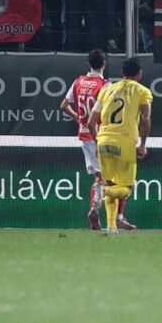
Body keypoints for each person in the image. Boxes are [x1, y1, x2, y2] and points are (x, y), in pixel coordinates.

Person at [88, 58, 152, 235]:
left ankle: (111, 226)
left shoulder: (107, 89)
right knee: (126, 189)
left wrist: (97, 141)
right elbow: (146, 120)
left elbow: (91, 122)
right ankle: (102, 190)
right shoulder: (143, 91)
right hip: (124, 141)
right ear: (139, 74)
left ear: (122, 72)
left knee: (112, 182)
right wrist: (143, 144)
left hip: (104, 140)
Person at [59, 49, 111, 230]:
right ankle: (101, 210)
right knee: (111, 178)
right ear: (104, 63)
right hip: (99, 136)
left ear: (89, 64)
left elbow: (64, 105)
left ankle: (96, 209)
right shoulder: (104, 86)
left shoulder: (78, 81)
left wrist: (78, 119)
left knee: (100, 176)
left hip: (83, 136)